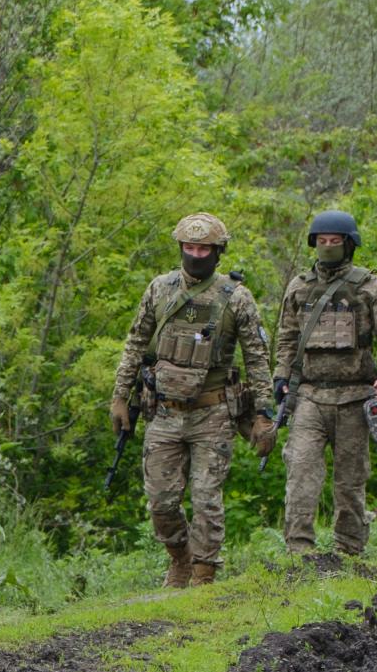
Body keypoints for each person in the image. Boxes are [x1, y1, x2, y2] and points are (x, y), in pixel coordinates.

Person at [110, 213, 270, 586]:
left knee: (206, 498)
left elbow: (257, 357)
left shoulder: (236, 298)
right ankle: (179, 558)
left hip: (213, 411)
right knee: (161, 501)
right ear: (180, 247)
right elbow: (135, 343)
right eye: (189, 247)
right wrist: (120, 395)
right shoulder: (160, 289)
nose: (195, 255)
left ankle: (204, 573)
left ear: (218, 252)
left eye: (203, 249)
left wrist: (263, 413)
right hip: (164, 411)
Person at [274, 209, 377, 560]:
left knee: (350, 481)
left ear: (349, 244)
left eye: (335, 241)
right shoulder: (299, 287)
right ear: (314, 244)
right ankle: (299, 552)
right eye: (323, 241)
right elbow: (286, 339)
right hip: (310, 396)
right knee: (300, 473)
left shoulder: (369, 286)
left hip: (356, 397)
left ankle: (349, 552)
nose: (328, 247)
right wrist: (281, 378)